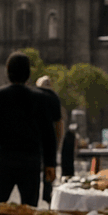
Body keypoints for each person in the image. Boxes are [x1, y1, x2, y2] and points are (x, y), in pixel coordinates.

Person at [0, 53, 57, 206]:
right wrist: (50, 163)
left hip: (4, 160)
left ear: (7, 72)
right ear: (28, 74)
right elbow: (48, 133)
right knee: (30, 209)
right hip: (31, 161)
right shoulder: (41, 99)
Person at [35, 75, 64, 204]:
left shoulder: (34, 96)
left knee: (35, 171)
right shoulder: (54, 98)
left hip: (36, 142)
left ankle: (36, 198)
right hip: (49, 141)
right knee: (49, 170)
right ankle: (47, 197)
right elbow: (59, 124)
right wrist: (58, 143)